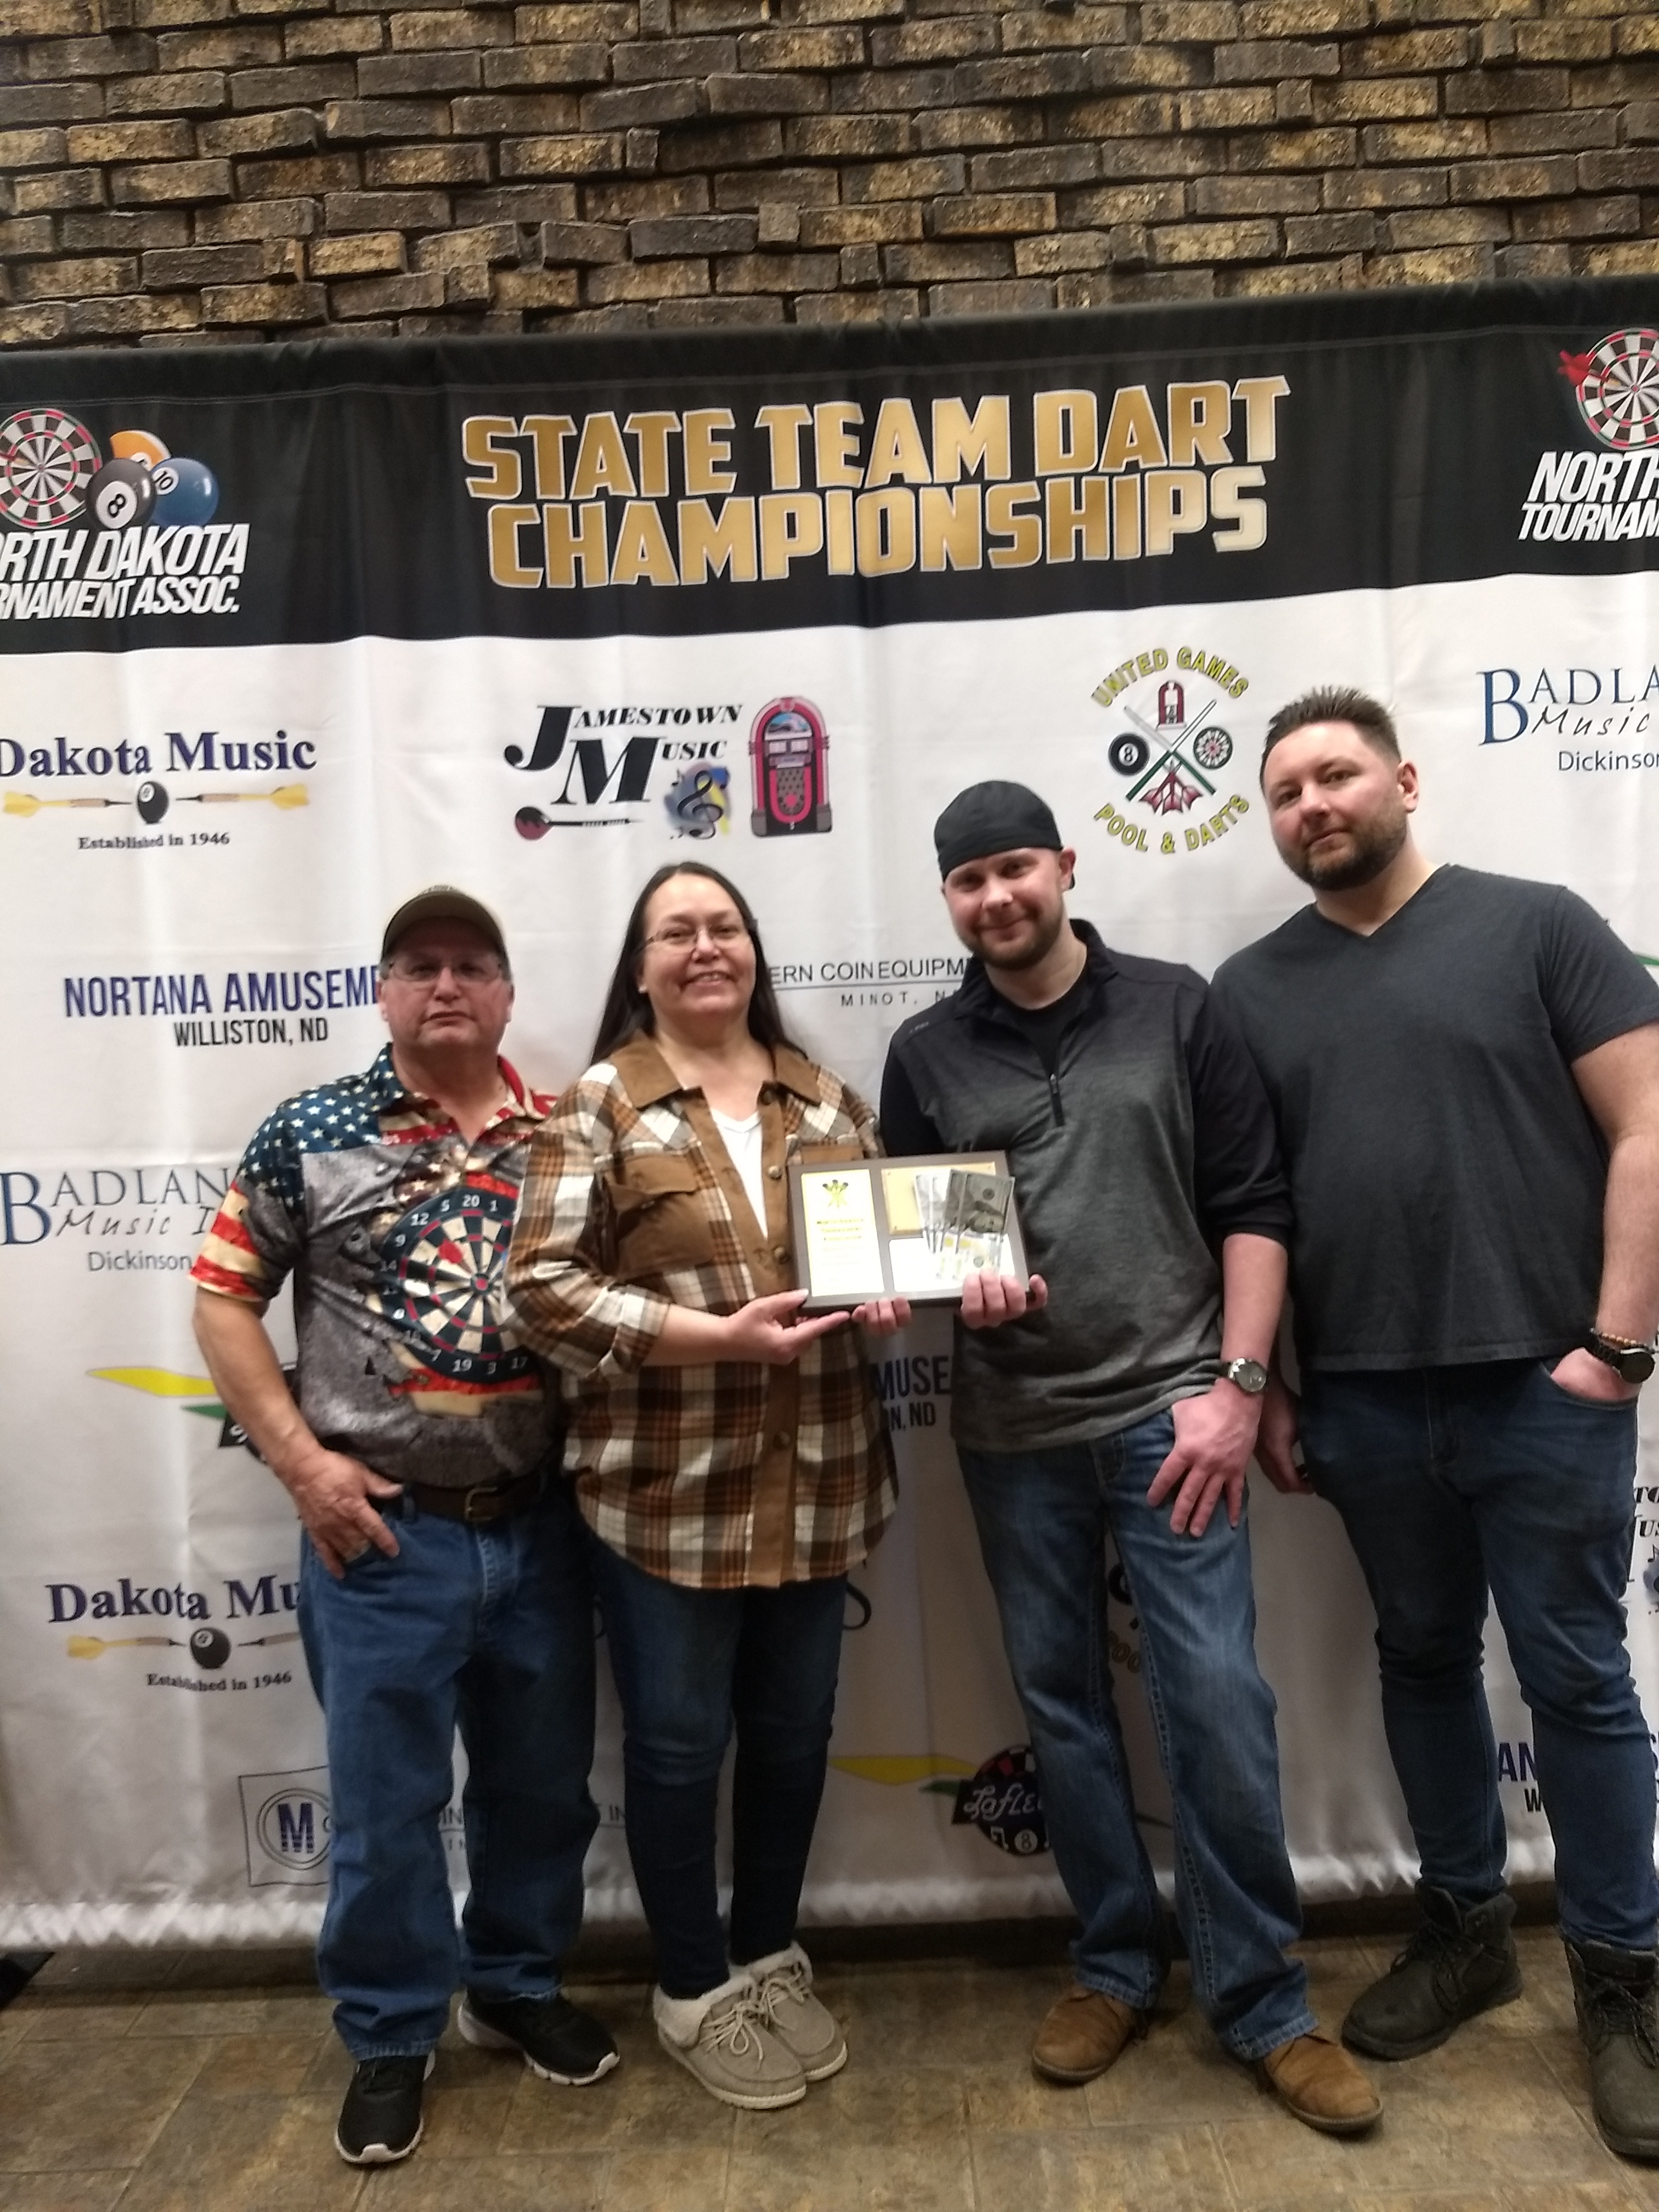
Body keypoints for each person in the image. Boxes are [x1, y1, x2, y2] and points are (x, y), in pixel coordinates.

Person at [878, 781, 1380, 2136]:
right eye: (970, 879)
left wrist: (1238, 1388)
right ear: (948, 899)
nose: (998, 897)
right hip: (1012, 1432)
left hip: (1176, 1413)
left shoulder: (1176, 1007)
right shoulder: (926, 1052)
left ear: (1064, 866)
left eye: (1016, 868)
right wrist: (962, 1292)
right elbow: (920, 1250)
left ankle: (1261, 1998)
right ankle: (1113, 1963)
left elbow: (1253, 1205)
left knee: (1214, 1698)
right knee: (1060, 1703)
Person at [1214, 687, 1659, 2160]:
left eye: (1336, 776)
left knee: (1578, 1681)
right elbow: (1254, 1206)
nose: (1312, 807)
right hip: (1363, 1402)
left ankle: (1624, 1981)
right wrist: (1274, 1383)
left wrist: (1617, 1346)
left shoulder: (1541, 928)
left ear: (1403, 782)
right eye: (1285, 793)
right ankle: (1467, 1928)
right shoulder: (1250, 990)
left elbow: (1648, 1126)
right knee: (1419, 1660)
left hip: (1544, 1386)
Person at [191, 887, 614, 2167]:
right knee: (385, 1811)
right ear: (383, 991)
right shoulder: (311, 1130)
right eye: (420, 966)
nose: (447, 987)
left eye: (473, 966)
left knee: (542, 1793)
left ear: (508, 994)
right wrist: (301, 1465)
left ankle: (516, 1984)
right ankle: (388, 2031)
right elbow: (222, 1300)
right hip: (379, 1536)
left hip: (541, 1525)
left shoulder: (569, 1134)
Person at [506, 861, 912, 2113]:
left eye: (724, 925)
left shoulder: (827, 1100)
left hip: (822, 1486)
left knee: (793, 1739)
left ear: (754, 949)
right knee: (680, 1751)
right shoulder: (598, 1107)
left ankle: (768, 1953)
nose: (703, 947)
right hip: (665, 1501)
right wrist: (712, 1340)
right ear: (640, 968)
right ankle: (690, 1984)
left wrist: (895, 1296)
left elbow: (888, 1259)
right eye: (674, 932)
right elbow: (540, 1293)